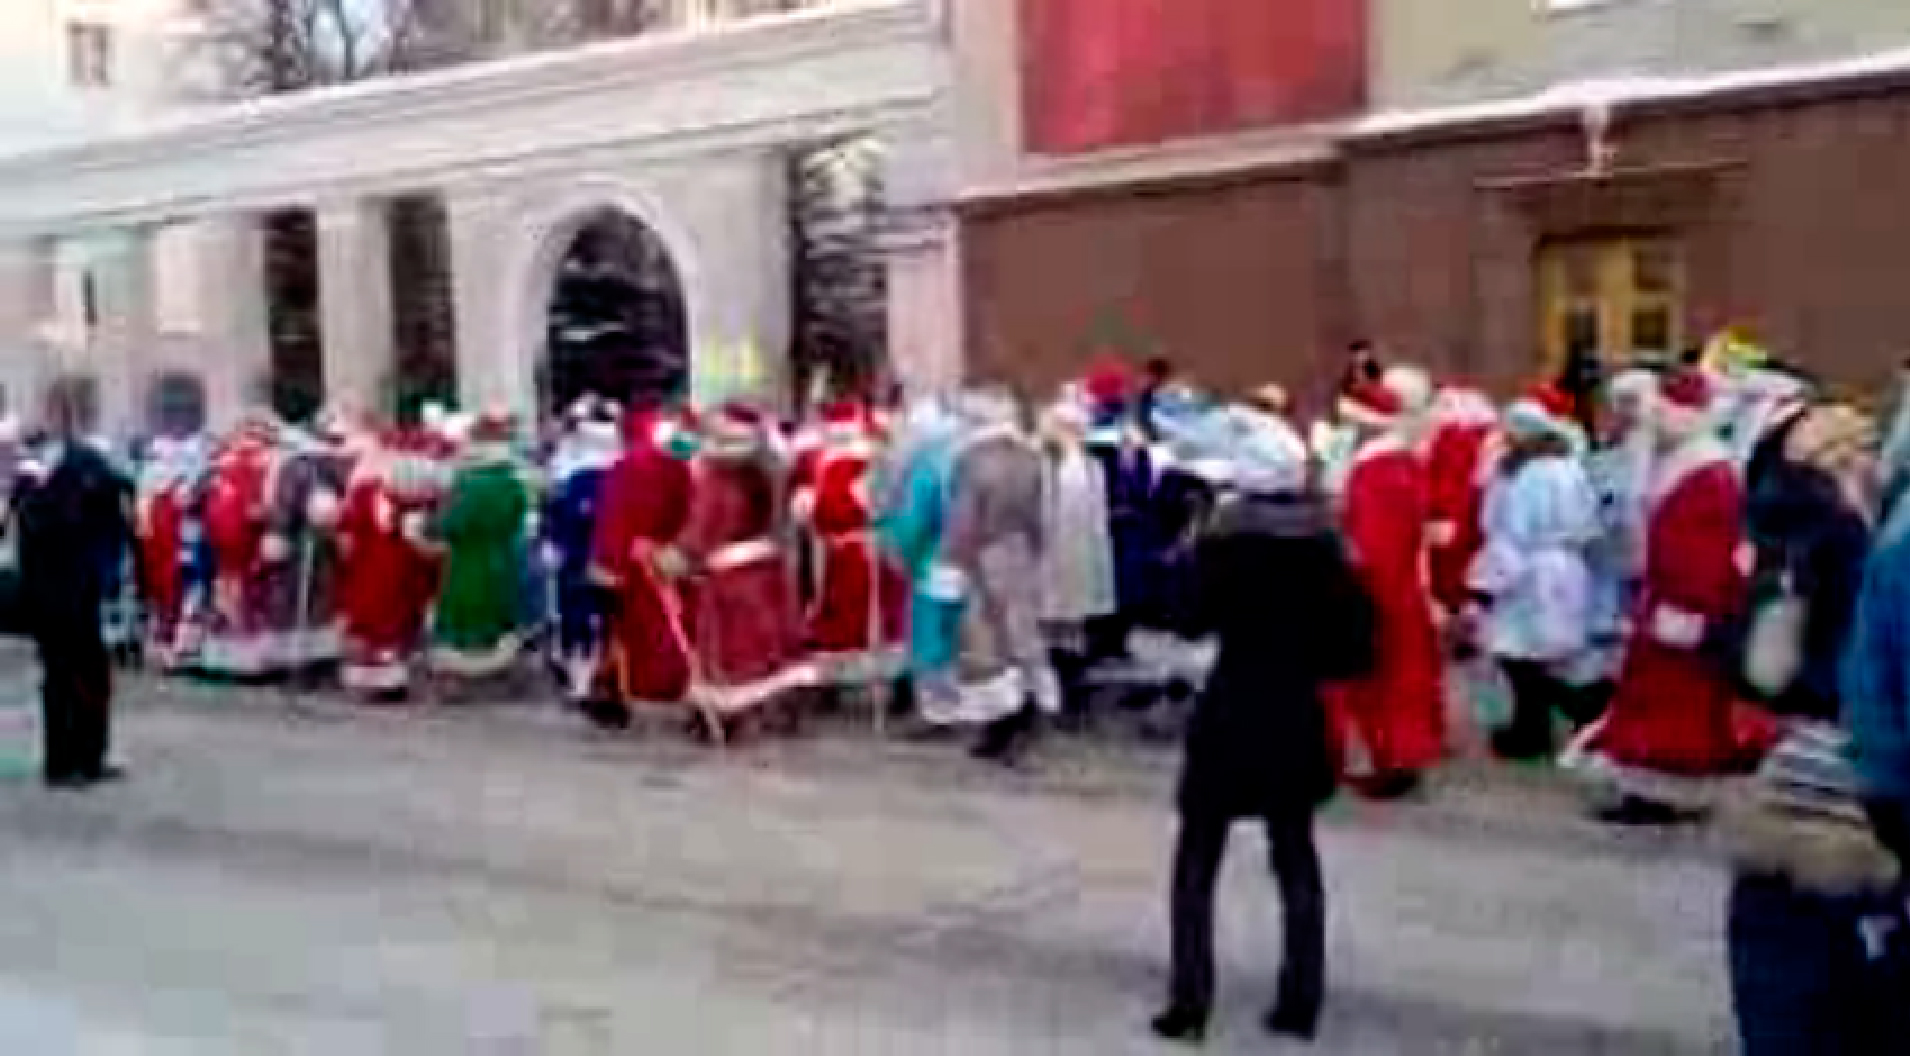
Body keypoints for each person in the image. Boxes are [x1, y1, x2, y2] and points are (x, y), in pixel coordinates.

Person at [1150, 445, 1374, 1045]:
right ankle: (1300, 1002)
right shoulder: (1329, 553)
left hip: (1229, 711)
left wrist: (1190, 552)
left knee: (1197, 859)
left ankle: (1189, 1003)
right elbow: (1355, 653)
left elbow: (1186, 619)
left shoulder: (1223, 546)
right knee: (1295, 857)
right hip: (1295, 715)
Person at [1726, 402, 1898, 1055]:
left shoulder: (1797, 524)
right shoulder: (1829, 528)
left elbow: (1762, 665)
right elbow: (1773, 661)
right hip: (1845, 771)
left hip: (1817, 767)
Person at [1567, 367, 1748, 823]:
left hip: (1685, 606)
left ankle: (1663, 792)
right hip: (1665, 599)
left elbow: (1705, 549)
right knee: (1654, 696)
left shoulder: (1706, 473)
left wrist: (1689, 606)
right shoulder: (1682, 462)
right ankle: (1650, 787)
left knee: (1674, 702)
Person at [1326, 368, 1443, 799]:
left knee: (1381, 681)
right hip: (1401, 590)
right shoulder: (1401, 463)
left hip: (1380, 591)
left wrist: (1355, 590)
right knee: (1402, 679)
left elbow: (1375, 545)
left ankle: (1391, 763)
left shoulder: (1375, 471)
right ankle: (1398, 759)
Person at [13, 378, 134, 789]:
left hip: (84, 578)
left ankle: (92, 754)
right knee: (60, 673)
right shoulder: (32, 468)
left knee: (93, 670)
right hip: (49, 585)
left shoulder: (87, 458)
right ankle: (61, 762)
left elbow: (113, 501)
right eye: (54, 411)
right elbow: (33, 521)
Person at [1468, 394, 1602, 760]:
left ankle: (1539, 728)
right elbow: (1590, 523)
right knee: (1548, 655)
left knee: (1518, 655)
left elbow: (1512, 531)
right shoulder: (1570, 467)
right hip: (1568, 568)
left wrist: (1487, 584)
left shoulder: (1525, 475)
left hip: (1530, 572)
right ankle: (1554, 721)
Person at [675, 402, 813, 730]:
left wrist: (683, 555)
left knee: (734, 649)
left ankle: (728, 713)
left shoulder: (716, 479)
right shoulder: (771, 473)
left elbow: (704, 527)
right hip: (768, 569)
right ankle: (781, 706)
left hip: (730, 575)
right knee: (772, 644)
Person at [942, 388, 1056, 763]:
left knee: (988, 644)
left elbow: (963, 517)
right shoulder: (1031, 458)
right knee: (1023, 636)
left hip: (983, 555)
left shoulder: (971, 460)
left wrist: (953, 561)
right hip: (1020, 552)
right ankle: (1026, 716)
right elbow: (1040, 515)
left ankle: (1001, 725)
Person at [589, 399, 697, 726]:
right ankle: (682, 686)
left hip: (634, 564)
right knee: (675, 625)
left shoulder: (620, 470)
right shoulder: (677, 467)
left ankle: (641, 692)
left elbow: (612, 520)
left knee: (638, 632)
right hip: (668, 560)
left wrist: (608, 565)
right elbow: (689, 511)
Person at [791, 399, 908, 690]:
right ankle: (894, 681)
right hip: (878, 551)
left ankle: (847, 683)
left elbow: (828, 511)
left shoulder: (833, 465)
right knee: (884, 619)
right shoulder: (881, 459)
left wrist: (809, 509)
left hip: (852, 554)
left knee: (851, 619)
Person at [335, 429, 444, 700]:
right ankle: (388, 680)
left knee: (383, 625)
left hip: (381, 570)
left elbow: (346, 534)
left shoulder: (367, 491)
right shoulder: (424, 494)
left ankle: (381, 680)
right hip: (394, 569)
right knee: (390, 625)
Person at [426, 410, 533, 685]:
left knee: (466, 615)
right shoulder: (513, 483)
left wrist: (433, 526)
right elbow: (520, 518)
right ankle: (501, 666)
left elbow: (454, 524)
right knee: (500, 611)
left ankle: (462, 673)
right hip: (503, 556)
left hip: (469, 560)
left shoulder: (470, 486)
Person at [1036, 398, 1116, 717]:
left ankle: (1068, 694)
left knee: (1067, 629)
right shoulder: (1053, 464)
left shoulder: (1086, 468)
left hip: (1070, 560)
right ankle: (1058, 694)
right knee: (1054, 628)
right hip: (1054, 560)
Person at [541, 406, 622, 706]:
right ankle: (591, 677)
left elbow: (562, 514)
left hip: (584, 558)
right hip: (594, 559)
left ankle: (588, 679)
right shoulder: (603, 475)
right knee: (592, 620)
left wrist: (555, 542)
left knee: (582, 619)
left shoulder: (577, 476)